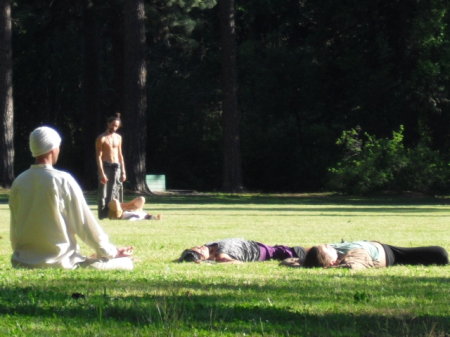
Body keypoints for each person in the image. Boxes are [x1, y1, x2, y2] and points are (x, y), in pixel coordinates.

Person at [9, 126, 134, 270]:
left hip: (23, 261)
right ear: (53, 148)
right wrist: (111, 252)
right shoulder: (62, 180)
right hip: (60, 262)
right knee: (127, 263)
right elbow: (84, 224)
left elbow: (15, 227)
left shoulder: (19, 181)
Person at [301, 240, 448, 270]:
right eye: (327, 247)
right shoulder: (354, 255)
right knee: (439, 253)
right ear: (332, 261)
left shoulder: (314, 256)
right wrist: (330, 268)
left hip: (384, 246)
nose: (329, 245)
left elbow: (290, 260)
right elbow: (353, 267)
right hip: (391, 254)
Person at [178, 238, 307, 264]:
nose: (201, 247)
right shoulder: (220, 255)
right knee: (298, 251)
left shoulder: (210, 246)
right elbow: (236, 263)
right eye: (200, 250)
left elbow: (184, 258)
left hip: (262, 246)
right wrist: (209, 263)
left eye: (198, 246)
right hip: (268, 251)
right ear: (202, 258)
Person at [96, 113, 126, 219]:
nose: (114, 127)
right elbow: (98, 157)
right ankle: (103, 215)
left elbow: (120, 154)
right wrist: (102, 173)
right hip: (106, 166)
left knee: (116, 189)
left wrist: (123, 171)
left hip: (116, 166)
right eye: (113, 125)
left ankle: (115, 214)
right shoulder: (101, 138)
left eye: (116, 126)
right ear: (108, 124)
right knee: (104, 191)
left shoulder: (118, 137)